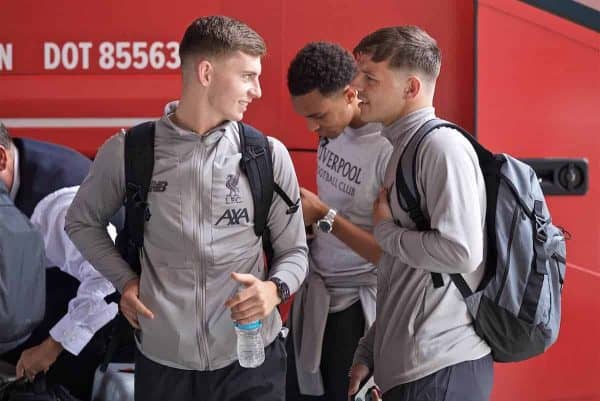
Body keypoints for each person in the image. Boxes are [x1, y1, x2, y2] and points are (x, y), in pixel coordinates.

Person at [65, 15, 308, 401]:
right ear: (207, 72)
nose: (257, 90)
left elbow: (295, 251)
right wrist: (125, 280)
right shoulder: (130, 151)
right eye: (247, 76)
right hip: (163, 365)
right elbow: (80, 223)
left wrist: (273, 290)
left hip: (250, 363)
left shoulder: (266, 154)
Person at [347, 26, 494, 401]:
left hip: (439, 372)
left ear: (411, 88)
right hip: (419, 373)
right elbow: (407, 272)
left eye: (369, 77)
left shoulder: (441, 148)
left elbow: (461, 252)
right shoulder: (405, 148)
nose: (356, 87)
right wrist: (372, 350)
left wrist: (384, 231)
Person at [285, 42, 392, 401]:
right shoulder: (332, 131)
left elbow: (389, 254)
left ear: (350, 94)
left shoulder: (387, 149)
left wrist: (323, 215)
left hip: (359, 313)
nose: (312, 128)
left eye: (318, 116)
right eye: (306, 117)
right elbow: (337, 211)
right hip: (316, 296)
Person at [0, 123, 120, 400]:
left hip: (98, 317)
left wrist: (51, 346)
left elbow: (109, 280)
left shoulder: (60, 205)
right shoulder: (15, 163)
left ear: (1, 158)